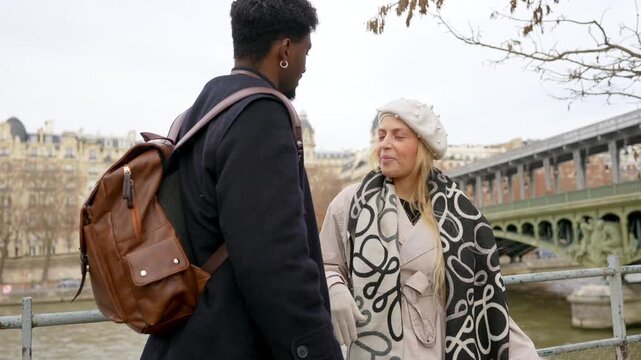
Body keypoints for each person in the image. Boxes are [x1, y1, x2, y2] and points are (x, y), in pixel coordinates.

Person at [141, 1, 342, 359]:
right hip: (227, 341)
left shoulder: (196, 114)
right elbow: (278, 266)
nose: (305, 66)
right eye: (305, 51)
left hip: (182, 336)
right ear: (285, 49)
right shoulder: (260, 115)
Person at [320, 98, 540, 359]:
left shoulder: (461, 213)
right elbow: (324, 264)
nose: (385, 144)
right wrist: (334, 287)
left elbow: (484, 297)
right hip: (375, 344)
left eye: (398, 136)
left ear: (423, 145)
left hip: (440, 345)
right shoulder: (350, 203)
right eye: (381, 135)